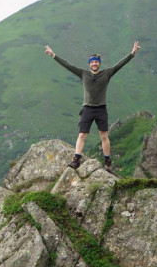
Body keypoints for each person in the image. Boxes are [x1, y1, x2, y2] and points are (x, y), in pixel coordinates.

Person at [44, 41, 141, 172]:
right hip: (87, 108)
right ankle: (76, 160)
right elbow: (68, 65)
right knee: (82, 135)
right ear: (89, 64)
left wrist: (132, 53)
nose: (94, 64)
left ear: (99, 63)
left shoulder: (107, 73)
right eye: (92, 62)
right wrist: (53, 55)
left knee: (104, 135)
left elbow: (120, 64)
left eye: (96, 62)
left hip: (101, 108)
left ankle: (107, 162)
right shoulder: (83, 73)